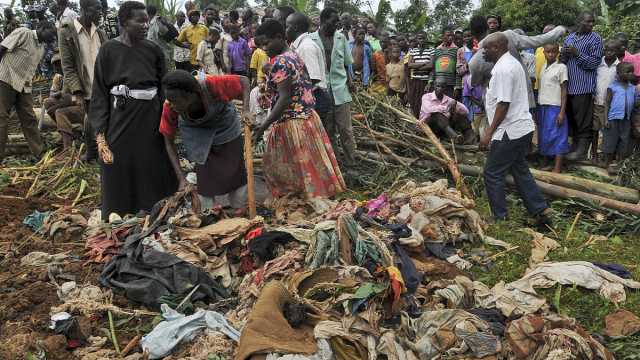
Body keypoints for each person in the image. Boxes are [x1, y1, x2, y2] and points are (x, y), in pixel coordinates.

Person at [89, 1, 177, 219]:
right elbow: (100, 93)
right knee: (116, 162)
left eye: (147, 21)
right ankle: (118, 212)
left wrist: (166, 121)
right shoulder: (108, 50)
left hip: (149, 117)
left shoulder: (153, 50)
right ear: (124, 22)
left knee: (150, 161)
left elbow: (163, 88)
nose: (145, 25)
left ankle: (152, 211)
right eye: (140, 21)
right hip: (120, 118)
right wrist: (100, 133)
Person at [253, 20, 345, 199]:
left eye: (266, 43)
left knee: (290, 169)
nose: (264, 49)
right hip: (307, 117)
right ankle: (314, 197)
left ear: (279, 38)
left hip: (292, 121)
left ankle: (304, 199)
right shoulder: (293, 55)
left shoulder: (281, 60)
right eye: (261, 45)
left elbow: (285, 97)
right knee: (309, 167)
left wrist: (264, 125)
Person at [479, 33, 550, 226]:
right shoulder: (512, 63)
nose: (483, 52)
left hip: (509, 130)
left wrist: (488, 133)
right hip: (521, 128)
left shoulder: (503, 69)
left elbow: (503, 104)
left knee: (492, 173)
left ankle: (499, 217)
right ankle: (540, 209)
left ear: (497, 48)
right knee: (519, 169)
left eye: (486, 48)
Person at [160, 70, 251, 212]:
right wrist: (182, 179)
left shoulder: (211, 84)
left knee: (235, 174)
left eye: (175, 101)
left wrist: (246, 110)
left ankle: (240, 208)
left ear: (191, 95)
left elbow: (244, 81)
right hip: (198, 136)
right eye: (169, 101)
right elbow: (168, 140)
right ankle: (209, 213)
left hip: (225, 127)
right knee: (205, 181)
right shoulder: (169, 107)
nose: (170, 105)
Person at [468, 15, 566, 108]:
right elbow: (537, 40)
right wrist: (559, 30)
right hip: (523, 100)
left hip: (497, 107)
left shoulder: (475, 61)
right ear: (487, 27)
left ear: (473, 35)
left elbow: (474, 82)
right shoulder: (507, 36)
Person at [0, 22, 57, 162]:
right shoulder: (23, 32)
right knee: (1, 118)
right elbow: (2, 48)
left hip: (24, 86)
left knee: (29, 118)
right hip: (6, 79)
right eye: (51, 34)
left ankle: (39, 153)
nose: (53, 38)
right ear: (42, 28)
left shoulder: (41, 48)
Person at [58, 0, 107, 162]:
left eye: (101, 9)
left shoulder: (100, 32)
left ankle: (97, 152)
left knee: (100, 119)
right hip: (86, 88)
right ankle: (95, 152)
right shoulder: (67, 33)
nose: (100, 12)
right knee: (92, 119)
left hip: (104, 85)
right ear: (84, 8)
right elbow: (68, 66)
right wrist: (77, 92)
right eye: (97, 9)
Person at [309, 7, 357, 171]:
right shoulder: (311, 39)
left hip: (340, 88)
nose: (337, 24)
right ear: (323, 21)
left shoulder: (341, 37)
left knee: (346, 130)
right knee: (328, 131)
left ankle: (351, 164)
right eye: (333, 21)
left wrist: (350, 80)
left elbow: (347, 63)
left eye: (338, 21)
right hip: (321, 90)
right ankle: (335, 166)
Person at [561, 12, 603, 161]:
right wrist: (564, 54)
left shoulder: (595, 39)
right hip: (568, 86)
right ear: (579, 21)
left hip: (583, 87)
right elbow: (563, 62)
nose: (591, 24)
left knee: (583, 121)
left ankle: (582, 151)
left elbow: (594, 63)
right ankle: (574, 147)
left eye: (593, 22)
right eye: (588, 21)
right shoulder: (569, 38)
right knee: (571, 119)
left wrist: (577, 53)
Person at [286, 12, 329, 122]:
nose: (285, 30)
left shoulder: (306, 47)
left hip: (315, 98)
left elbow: (313, 78)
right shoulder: (299, 45)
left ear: (295, 28)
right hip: (310, 96)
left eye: (287, 26)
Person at [537, 43, 569, 173]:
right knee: (544, 135)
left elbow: (564, 90)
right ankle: (544, 163)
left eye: (553, 52)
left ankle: (557, 168)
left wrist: (562, 112)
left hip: (555, 107)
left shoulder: (561, 67)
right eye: (548, 52)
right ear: (543, 52)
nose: (551, 54)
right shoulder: (543, 67)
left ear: (558, 53)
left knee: (558, 136)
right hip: (543, 106)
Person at [44, 54, 84, 149]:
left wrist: (62, 96)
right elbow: (52, 94)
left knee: (58, 110)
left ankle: (68, 145)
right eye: (55, 66)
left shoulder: (73, 73)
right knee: (49, 103)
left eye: (58, 65)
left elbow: (71, 97)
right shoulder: (58, 77)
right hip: (70, 103)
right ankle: (70, 134)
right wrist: (59, 94)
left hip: (82, 105)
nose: (56, 69)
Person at [602, 62, 636, 171]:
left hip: (626, 119)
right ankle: (607, 163)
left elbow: (634, 104)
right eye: (628, 72)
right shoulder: (612, 87)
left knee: (624, 141)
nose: (631, 74)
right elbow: (607, 103)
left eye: (632, 72)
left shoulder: (632, 88)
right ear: (619, 73)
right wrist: (606, 118)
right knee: (610, 140)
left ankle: (619, 164)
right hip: (613, 119)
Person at [420, 78, 473, 144]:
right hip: (429, 126)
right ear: (434, 86)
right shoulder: (426, 97)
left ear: (445, 88)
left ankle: (469, 139)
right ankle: (455, 137)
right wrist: (446, 108)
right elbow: (428, 109)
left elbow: (466, 111)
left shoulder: (448, 99)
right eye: (438, 86)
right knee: (437, 115)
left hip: (443, 128)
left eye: (442, 87)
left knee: (459, 116)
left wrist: (455, 103)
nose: (440, 88)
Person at [593, 40, 621, 163]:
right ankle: (594, 154)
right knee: (594, 129)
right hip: (596, 103)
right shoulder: (598, 63)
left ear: (618, 51)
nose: (609, 53)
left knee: (607, 131)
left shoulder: (619, 66)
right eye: (607, 50)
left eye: (612, 50)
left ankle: (606, 156)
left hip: (610, 106)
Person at [406, 32, 433, 117]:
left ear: (426, 39)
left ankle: (424, 123)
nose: (421, 40)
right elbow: (410, 65)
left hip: (425, 82)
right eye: (419, 38)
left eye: (423, 38)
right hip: (415, 81)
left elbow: (431, 65)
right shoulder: (413, 51)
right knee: (414, 103)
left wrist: (416, 66)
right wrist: (425, 63)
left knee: (424, 104)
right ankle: (416, 123)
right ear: (417, 40)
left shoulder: (431, 50)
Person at [430, 27, 459, 98]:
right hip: (437, 85)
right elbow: (433, 68)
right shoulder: (437, 50)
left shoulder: (456, 50)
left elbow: (457, 69)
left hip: (450, 85)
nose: (451, 37)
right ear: (443, 36)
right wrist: (430, 81)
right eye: (448, 35)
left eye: (452, 35)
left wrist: (457, 86)